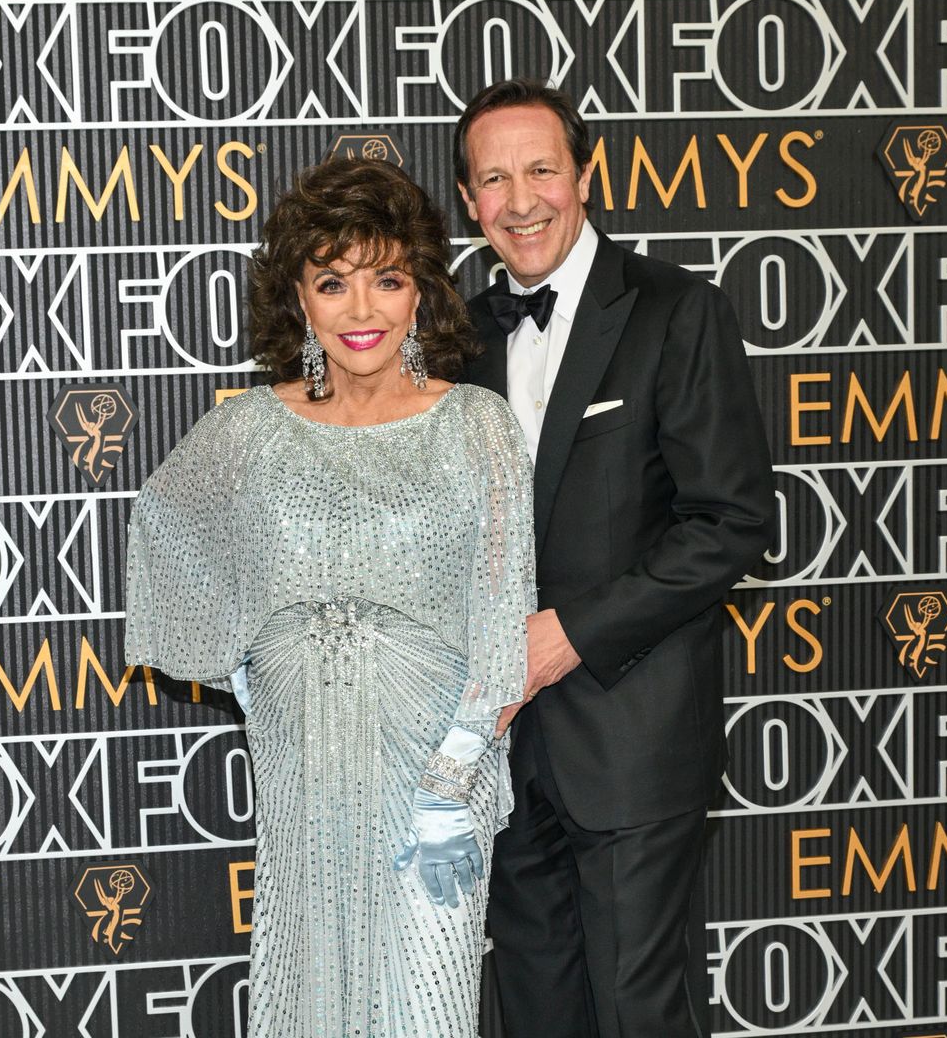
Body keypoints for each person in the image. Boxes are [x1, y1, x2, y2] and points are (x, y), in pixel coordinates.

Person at [124, 158, 535, 1038]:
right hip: (304, 781)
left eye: (387, 279)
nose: (362, 311)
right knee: (306, 999)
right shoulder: (248, 429)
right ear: (299, 299)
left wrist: (447, 787)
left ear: (421, 290)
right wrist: (254, 666)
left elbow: (503, 621)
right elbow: (166, 523)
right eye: (332, 282)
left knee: (424, 1007)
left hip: (435, 782)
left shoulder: (475, 424)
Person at [455, 79, 776, 1038]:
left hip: (632, 739)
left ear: (585, 176)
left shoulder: (676, 312)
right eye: (493, 179)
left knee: (640, 1011)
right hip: (500, 752)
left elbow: (731, 523)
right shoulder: (458, 337)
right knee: (536, 1009)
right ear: (469, 201)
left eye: (542, 169)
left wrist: (570, 636)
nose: (521, 201)